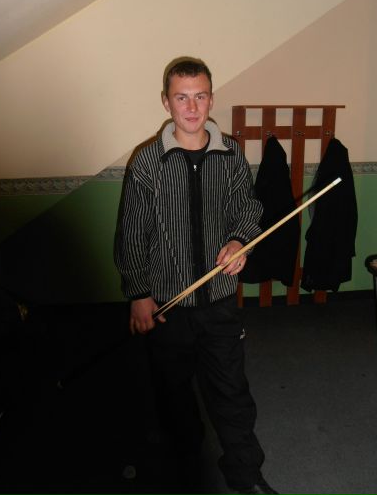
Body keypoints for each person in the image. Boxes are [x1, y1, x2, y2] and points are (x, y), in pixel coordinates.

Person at [114, 57, 279, 495]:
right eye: (182, 97)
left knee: (232, 392)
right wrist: (139, 294)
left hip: (219, 304)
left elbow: (248, 208)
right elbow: (131, 233)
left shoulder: (231, 154)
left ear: (211, 99)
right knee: (173, 396)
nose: (191, 107)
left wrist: (239, 241)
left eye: (200, 96)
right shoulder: (147, 162)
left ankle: (245, 473)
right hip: (168, 307)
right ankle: (186, 472)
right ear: (166, 102)